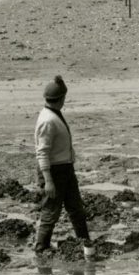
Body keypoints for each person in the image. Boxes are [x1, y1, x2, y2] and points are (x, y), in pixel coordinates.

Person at [33, 75, 93, 260]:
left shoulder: (54, 114)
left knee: (75, 208)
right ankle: (41, 247)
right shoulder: (47, 120)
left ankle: (84, 241)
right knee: (51, 211)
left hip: (66, 169)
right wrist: (48, 181)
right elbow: (42, 152)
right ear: (61, 99)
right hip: (54, 172)